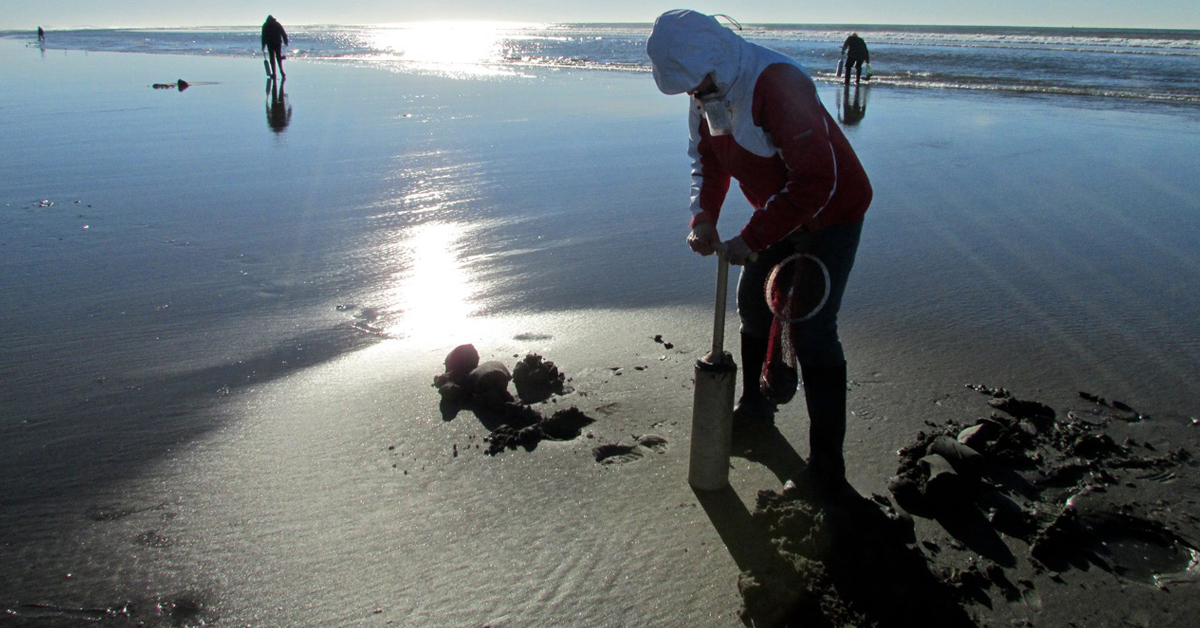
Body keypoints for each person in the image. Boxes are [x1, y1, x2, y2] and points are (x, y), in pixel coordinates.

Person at [647, 10, 872, 494]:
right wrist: (703, 217)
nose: (694, 93)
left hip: (831, 212)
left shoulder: (777, 85)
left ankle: (827, 471)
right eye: (687, 87)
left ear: (715, 57)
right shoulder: (706, 91)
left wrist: (752, 237)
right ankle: (755, 410)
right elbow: (707, 159)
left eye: (697, 82)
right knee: (753, 304)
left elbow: (816, 180)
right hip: (778, 211)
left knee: (811, 330)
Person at [261, 15, 289, 79]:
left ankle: (274, 73)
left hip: (270, 43)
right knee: (278, 58)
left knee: (272, 58)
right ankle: (281, 71)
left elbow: (263, 36)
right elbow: (283, 33)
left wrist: (263, 45)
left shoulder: (265, 25)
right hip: (277, 43)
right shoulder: (276, 24)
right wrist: (285, 41)